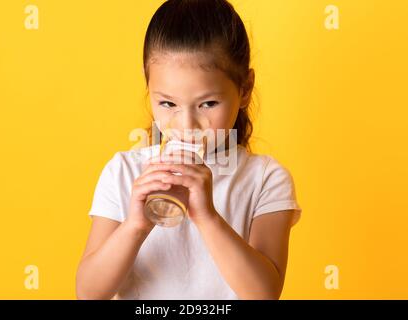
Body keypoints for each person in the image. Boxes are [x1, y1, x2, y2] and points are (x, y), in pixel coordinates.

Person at [76, 0, 302, 300]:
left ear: (245, 89)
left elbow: (263, 294)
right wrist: (134, 226)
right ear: (149, 88)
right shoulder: (124, 172)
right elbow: (88, 293)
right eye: (168, 103)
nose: (186, 125)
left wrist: (208, 217)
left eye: (208, 104)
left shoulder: (265, 179)